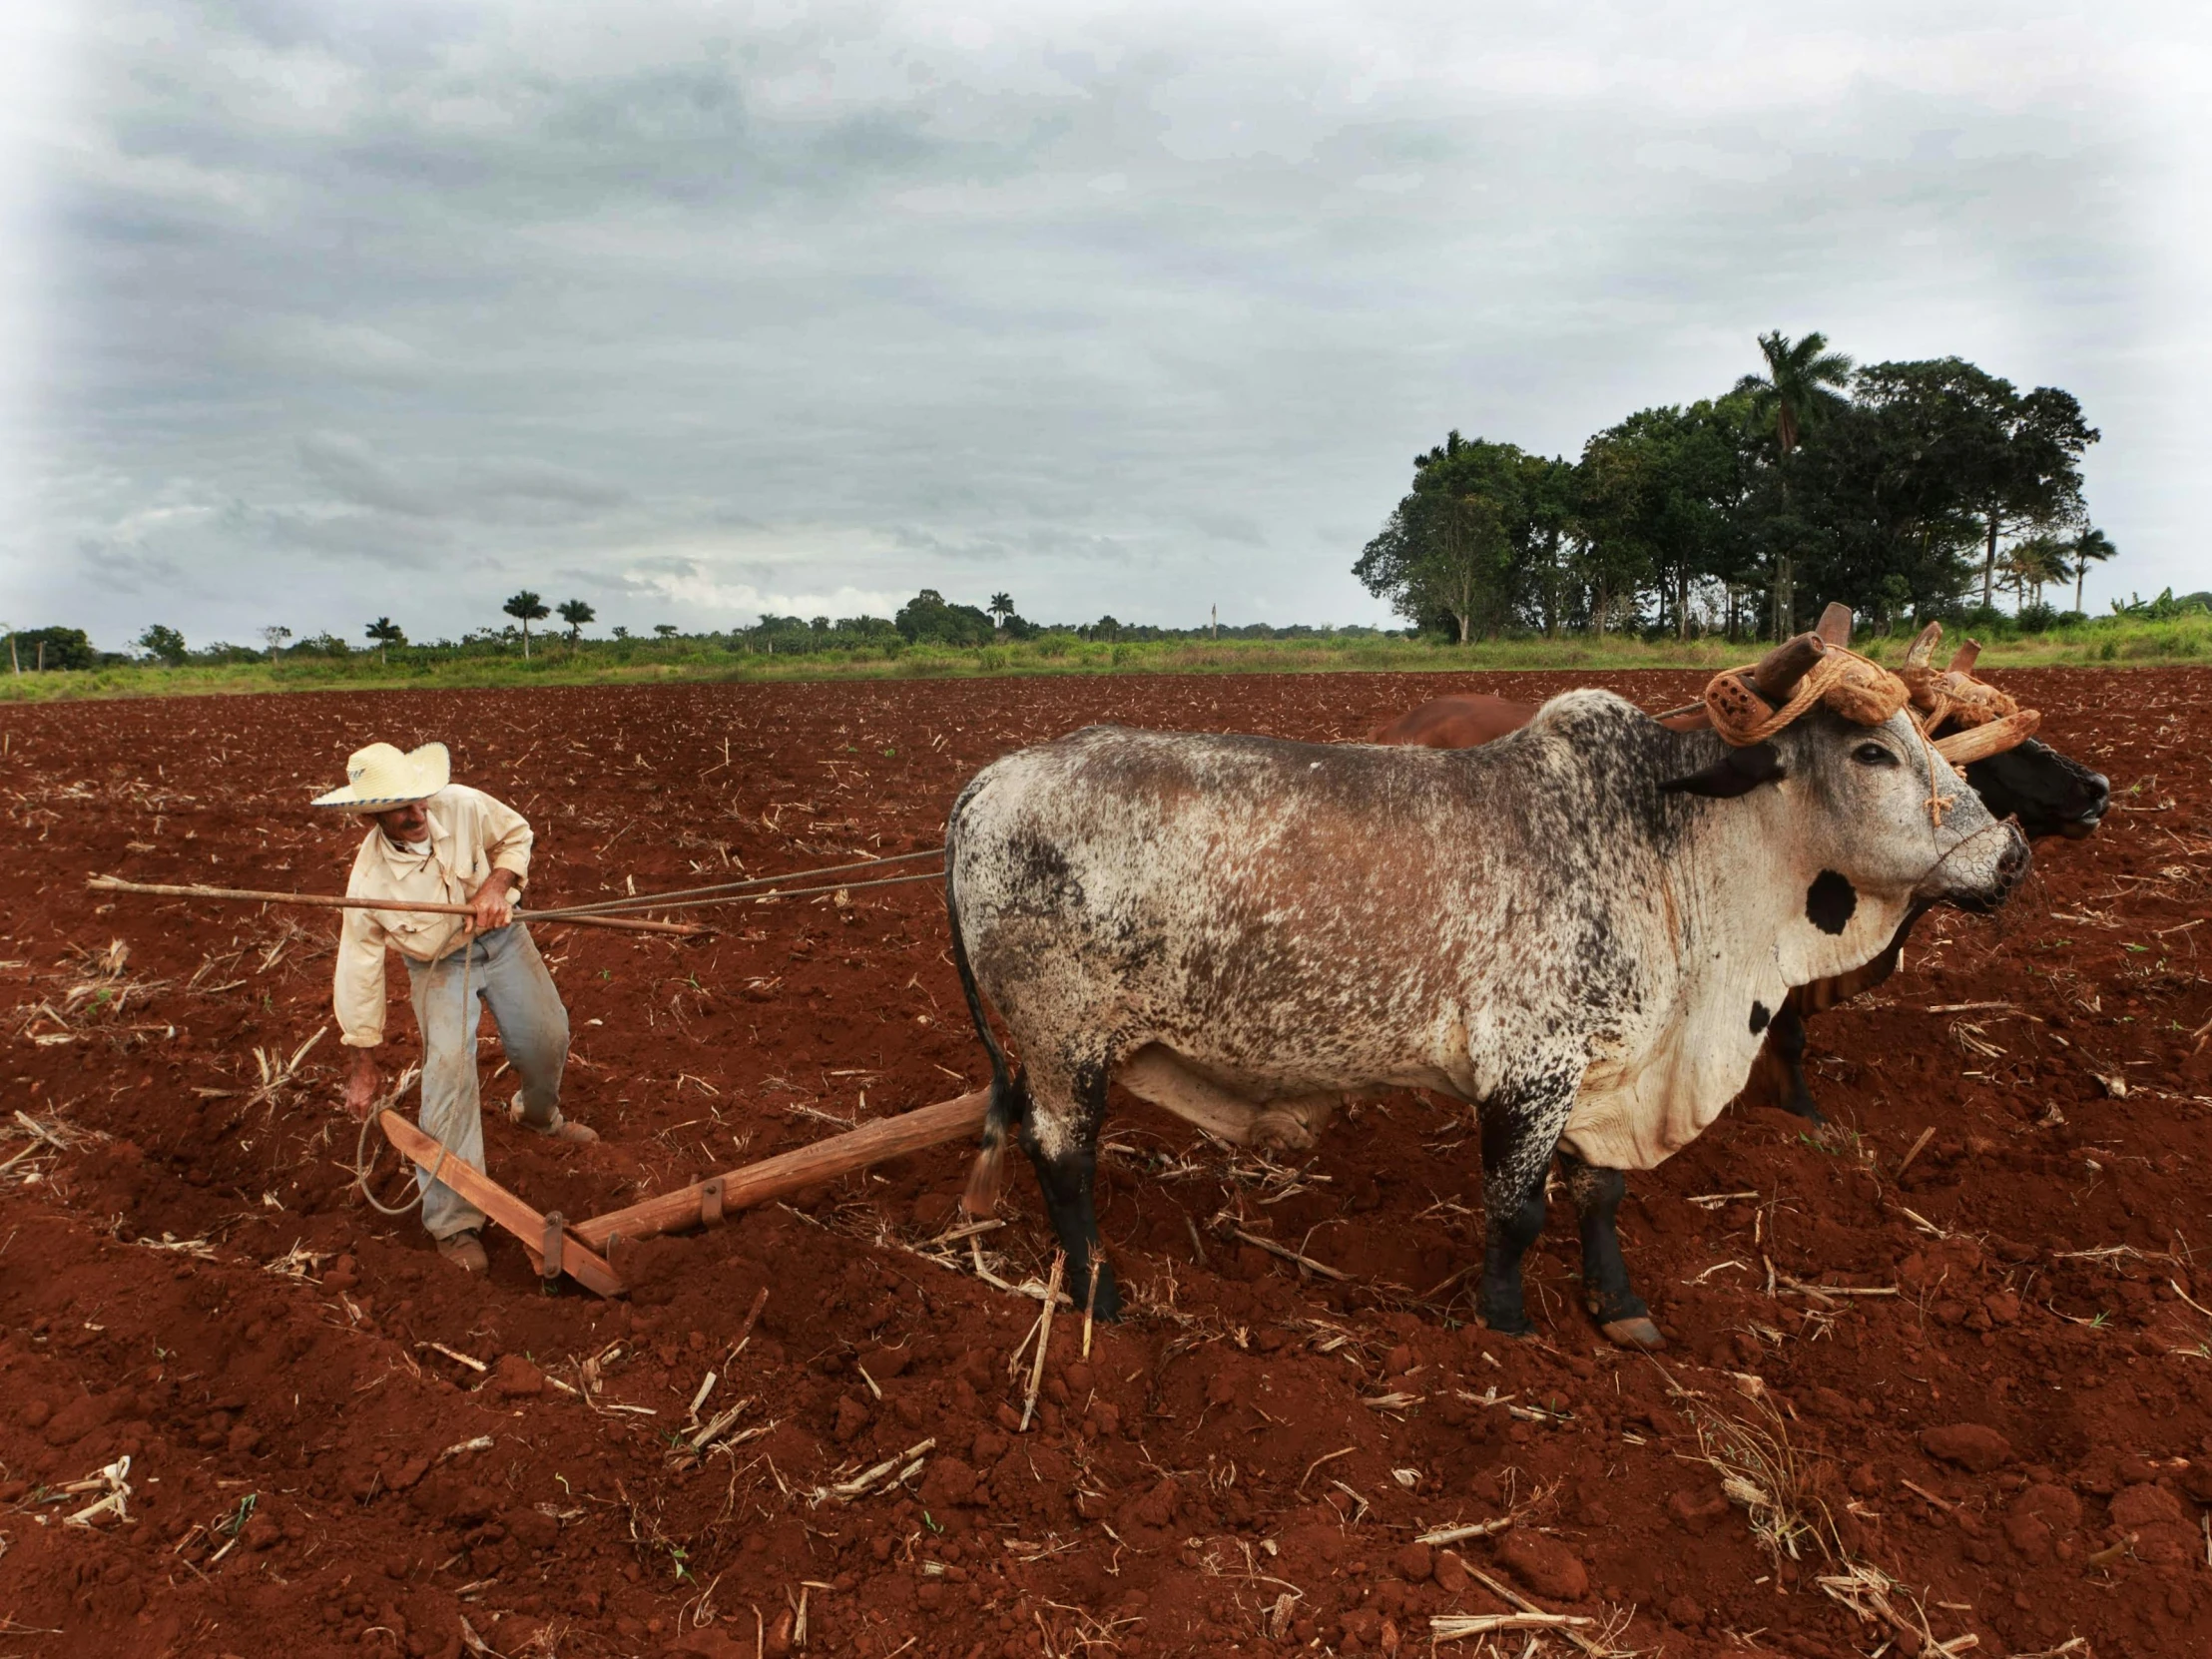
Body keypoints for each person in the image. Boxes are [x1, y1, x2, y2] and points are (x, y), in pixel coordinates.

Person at [313, 740, 594, 1274]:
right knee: (447, 1076)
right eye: (401, 808)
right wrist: (362, 1062)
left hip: (504, 941)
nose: (418, 813)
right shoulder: (368, 883)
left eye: (420, 800)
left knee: (547, 1037)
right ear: (369, 817)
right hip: (438, 965)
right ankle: (454, 1222)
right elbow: (358, 969)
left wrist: (495, 883)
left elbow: (517, 834)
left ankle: (538, 1117)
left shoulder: (461, 803)